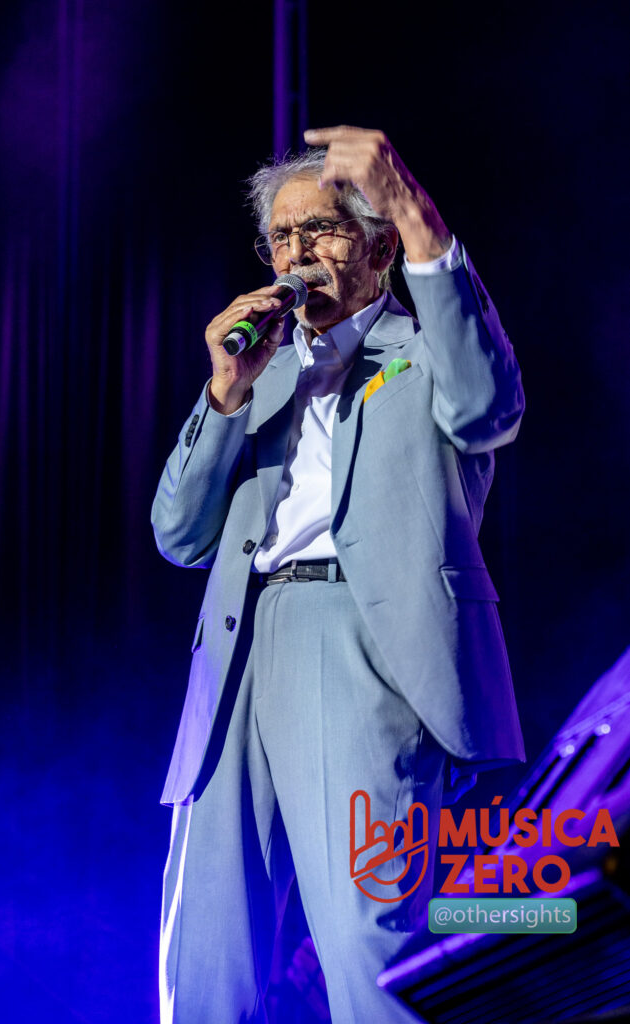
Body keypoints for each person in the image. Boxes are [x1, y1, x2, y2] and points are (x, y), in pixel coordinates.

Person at [152, 125, 525, 1023]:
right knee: (204, 955)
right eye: (280, 237)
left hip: (363, 648)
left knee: (372, 941)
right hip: (238, 657)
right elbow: (177, 532)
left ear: (379, 247)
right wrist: (224, 393)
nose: (296, 254)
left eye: (320, 229)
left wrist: (415, 207)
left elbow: (485, 408)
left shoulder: (425, 343)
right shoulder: (260, 374)